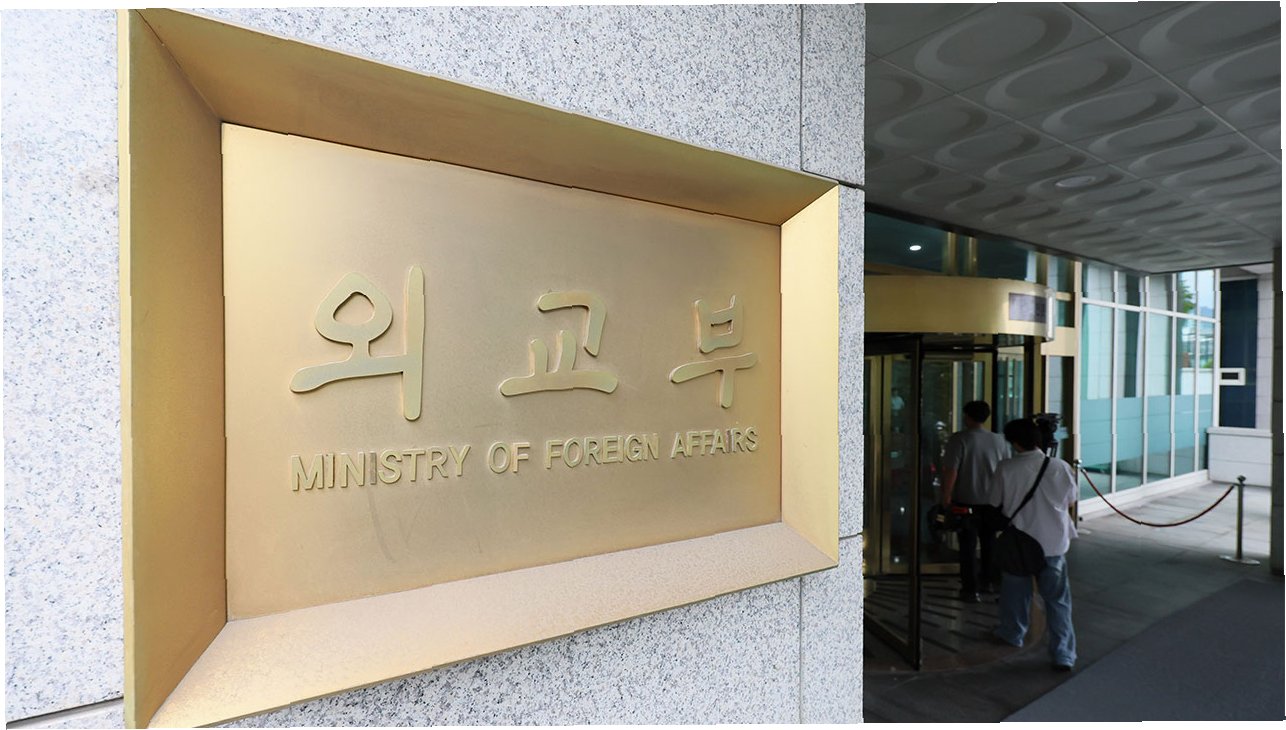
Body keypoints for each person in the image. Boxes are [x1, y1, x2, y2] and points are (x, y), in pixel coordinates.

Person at [988, 417, 1078, 671]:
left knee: (1015, 594)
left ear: (1015, 443)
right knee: (1057, 600)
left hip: (1020, 542)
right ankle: (1063, 653)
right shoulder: (1060, 466)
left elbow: (995, 502)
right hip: (1053, 543)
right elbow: (1070, 500)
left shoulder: (1006, 468)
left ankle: (1012, 633)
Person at [940, 400, 1008, 603]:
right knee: (989, 543)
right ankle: (988, 582)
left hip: (966, 501)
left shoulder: (959, 439)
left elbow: (951, 470)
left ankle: (970, 589)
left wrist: (945, 496)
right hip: (992, 501)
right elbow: (1006, 470)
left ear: (967, 416)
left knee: (967, 546)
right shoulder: (999, 440)